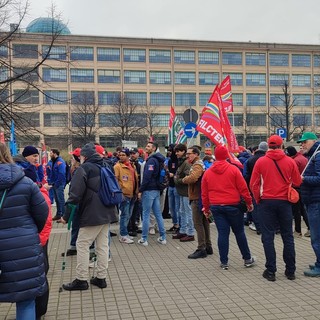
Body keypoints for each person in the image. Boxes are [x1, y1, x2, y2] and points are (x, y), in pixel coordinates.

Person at [0, 142, 49, 320]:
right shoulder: (26, 183)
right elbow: (42, 213)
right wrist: (27, 230)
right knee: (26, 301)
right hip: (23, 249)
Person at [61, 143, 118, 290]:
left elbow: (74, 196)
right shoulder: (106, 165)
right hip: (107, 211)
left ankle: (81, 279)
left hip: (92, 213)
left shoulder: (84, 169)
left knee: (82, 244)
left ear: (84, 156)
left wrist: (66, 216)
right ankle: (101, 277)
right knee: (102, 245)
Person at [250, 135, 302, 281]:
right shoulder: (290, 161)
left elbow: (253, 184)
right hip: (284, 202)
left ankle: (271, 271)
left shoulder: (261, 161)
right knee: (288, 236)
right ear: (281, 146)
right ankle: (290, 271)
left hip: (266, 202)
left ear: (268, 146)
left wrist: (258, 198)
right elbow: (297, 181)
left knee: (268, 236)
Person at [202, 145, 255, 270]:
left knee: (223, 234)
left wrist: (206, 208)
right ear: (227, 155)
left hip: (216, 206)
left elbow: (204, 193)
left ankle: (224, 262)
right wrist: (249, 202)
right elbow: (243, 188)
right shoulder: (234, 170)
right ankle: (247, 258)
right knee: (239, 232)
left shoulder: (208, 172)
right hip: (233, 205)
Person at [182, 146, 212, 259]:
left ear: (196, 154)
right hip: (200, 196)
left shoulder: (197, 165)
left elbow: (193, 178)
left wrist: (184, 179)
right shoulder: (199, 164)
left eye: (189, 153)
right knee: (204, 223)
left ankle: (201, 248)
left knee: (198, 223)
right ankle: (208, 246)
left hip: (197, 197)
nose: (187, 156)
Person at [297, 132, 320, 277]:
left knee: (316, 237)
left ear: (313, 141)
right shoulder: (313, 155)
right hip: (314, 201)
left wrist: (303, 178)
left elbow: (319, 178)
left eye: (305, 142)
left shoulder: (317, 155)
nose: (302, 145)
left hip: (316, 202)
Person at [138, 141, 167, 246]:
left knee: (146, 214)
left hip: (149, 190)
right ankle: (163, 237)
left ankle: (144, 239)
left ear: (154, 148)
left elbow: (147, 177)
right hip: (156, 189)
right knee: (158, 214)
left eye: (149, 146)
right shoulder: (159, 159)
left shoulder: (151, 160)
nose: (146, 147)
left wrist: (141, 190)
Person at [243, 141, 268, 234]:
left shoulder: (249, 160)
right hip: (266, 186)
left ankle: (258, 227)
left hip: (253, 186)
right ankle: (267, 226)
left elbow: (245, 175)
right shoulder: (267, 159)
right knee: (266, 207)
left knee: (255, 207)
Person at [285, 146, 310, 238]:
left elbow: (292, 175)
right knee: (303, 210)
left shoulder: (295, 161)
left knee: (297, 211)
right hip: (303, 186)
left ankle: (298, 230)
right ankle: (310, 228)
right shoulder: (303, 158)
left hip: (296, 187)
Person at [114, 149, 138, 244]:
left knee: (129, 215)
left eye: (123, 155)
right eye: (120, 155)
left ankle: (125, 233)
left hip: (132, 194)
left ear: (128, 156)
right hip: (124, 194)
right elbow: (115, 181)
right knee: (124, 215)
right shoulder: (117, 167)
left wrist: (137, 191)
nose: (121, 156)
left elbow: (135, 179)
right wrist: (120, 192)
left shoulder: (132, 165)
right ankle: (123, 235)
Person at [173, 143, 195, 242]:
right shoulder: (181, 162)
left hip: (186, 192)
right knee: (182, 211)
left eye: (178, 151)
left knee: (188, 212)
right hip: (181, 191)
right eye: (176, 151)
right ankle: (183, 230)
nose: (176, 153)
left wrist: (177, 180)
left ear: (183, 151)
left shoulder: (186, 163)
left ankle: (190, 232)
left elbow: (188, 177)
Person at [49, 148, 66, 220]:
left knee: (61, 200)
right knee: (57, 200)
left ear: (55, 154)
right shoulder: (54, 161)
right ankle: (59, 214)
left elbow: (61, 174)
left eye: (51, 153)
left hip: (59, 184)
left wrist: (57, 183)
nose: (50, 154)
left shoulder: (60, 162)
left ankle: (64, 216)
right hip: (55, 184)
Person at [166, 144, 180, 233]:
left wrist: (174, 175)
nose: (169, 152)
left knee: (178, 207)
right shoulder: (170, 161)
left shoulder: (180, 161)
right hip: (170, 185)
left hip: (177, 186)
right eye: (168, 150)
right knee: (171, 207)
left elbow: (181, 173)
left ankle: (179, 225)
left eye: (171, 150)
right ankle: (175, 224)